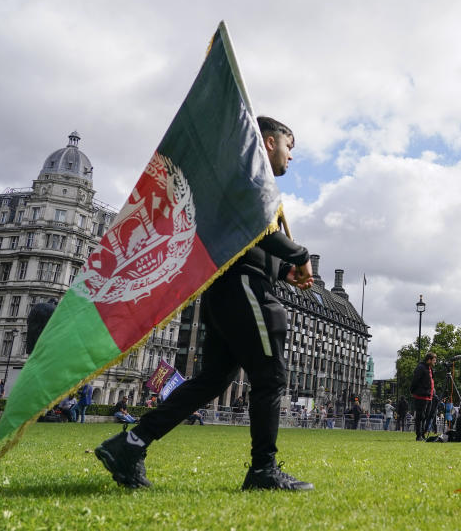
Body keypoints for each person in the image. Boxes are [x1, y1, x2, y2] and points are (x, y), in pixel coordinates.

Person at [95, 117, 316, 492]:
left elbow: (248, 243)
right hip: (245, 291)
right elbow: (256, 228)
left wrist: (282, 272)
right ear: (269, 141)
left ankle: (129, 444)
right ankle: (263, 469)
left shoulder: (244, 182)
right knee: (270, 378)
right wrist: (300, 254)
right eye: (289, 146)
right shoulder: (250, 178)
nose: (291, 156)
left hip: (224, 290)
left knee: (212, 379)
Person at [411, 352, 437, 441]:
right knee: (420, 416)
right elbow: (415, 380)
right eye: (434, 360)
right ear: (429, 360)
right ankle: (419, 435)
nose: (435, 362)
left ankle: (422, 434)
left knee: (426, 416)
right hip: (421, 396)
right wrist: (413, 391)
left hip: (429, 396)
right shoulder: (421, 368)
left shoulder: (430, 369)